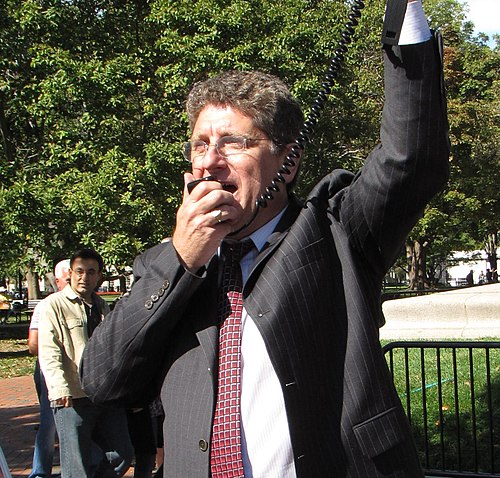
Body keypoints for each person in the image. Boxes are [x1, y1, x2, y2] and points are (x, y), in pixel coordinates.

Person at [81, 1, 450, 476]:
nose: (209, 162)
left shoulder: (335, 230)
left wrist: (404, 11)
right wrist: (182, 260)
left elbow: (411, 158)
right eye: (199, 144)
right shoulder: (164, 264)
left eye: (233, 142)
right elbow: (105, 380)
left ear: (288, 163)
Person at [38, 248, 133, 477]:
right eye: (79, 271)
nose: (85, 277)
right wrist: (59, 388)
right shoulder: (54, 305)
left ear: (99, 275)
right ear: (70, 273)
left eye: (91, 272)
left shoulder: (102, 306)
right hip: (72, 394)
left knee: (122, 453)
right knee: (75, 465)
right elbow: (49, 350)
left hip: (102, 392)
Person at [27, 259, 71, 478]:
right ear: (57, 281)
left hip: (75, 372)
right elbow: (33, 345)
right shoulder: (47, 305)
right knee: (50, 421)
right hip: (50, 369)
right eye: (68, 278)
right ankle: (40, 472)